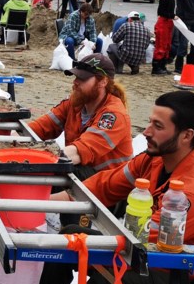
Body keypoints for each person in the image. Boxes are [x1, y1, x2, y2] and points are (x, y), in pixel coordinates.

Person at [40, 90, 194, 284]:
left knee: (109, 279)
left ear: (186, 136)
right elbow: (106, 185)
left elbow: (134, 247)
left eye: (158, 126)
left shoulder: (192, 195)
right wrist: (45, 202)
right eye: (150, 122)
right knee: (69, 238)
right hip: (156, 261)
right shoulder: (155, 159)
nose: (146, 132)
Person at [27, 53, 133, 224]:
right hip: (86, 177)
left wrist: (32, 160)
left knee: (67, 168)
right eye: (75, 76)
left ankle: (72, 232)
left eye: (82, 79)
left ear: (103, 82)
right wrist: (10, 142)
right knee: (52, 169)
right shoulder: (75, 103)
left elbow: (79, 152)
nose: (75, 82)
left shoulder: (114, 115)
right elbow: (39, 128)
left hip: (113, 191)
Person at [152, 0, 177, 75]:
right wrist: (172, 16)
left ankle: (163, 66)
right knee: (160, 46)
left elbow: (169, 12)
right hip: (163, 23)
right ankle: (156, 68)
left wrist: (172, 16)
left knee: (167, 46)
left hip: (168, 23)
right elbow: (161, 12)